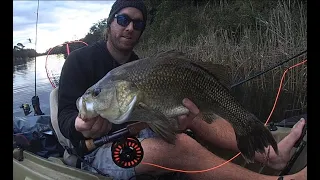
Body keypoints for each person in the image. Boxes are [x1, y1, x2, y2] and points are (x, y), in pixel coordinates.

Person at [57, 0, 307, 179]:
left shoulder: (136, 63)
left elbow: (156, 118)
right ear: (110, 22)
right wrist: (79, 126)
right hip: (95, 153)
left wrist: (174, 122)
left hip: (136, 133)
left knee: (195, 117)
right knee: (181, 146)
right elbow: (66, 117)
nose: (130, 27)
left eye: (138, 23)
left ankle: (269, 155)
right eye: (123, 19)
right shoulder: (79, 61)